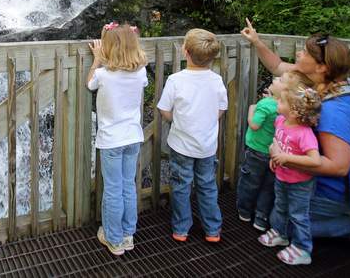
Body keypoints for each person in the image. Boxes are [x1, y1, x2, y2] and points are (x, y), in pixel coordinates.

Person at [240, 18, 350, 264]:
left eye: (305, 51)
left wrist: (287, 160)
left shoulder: (336, 110)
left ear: (322, 67)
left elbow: (340, 166)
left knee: (286, 223)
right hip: (312, 179)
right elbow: (278, 65)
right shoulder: (314, 86)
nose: (299, 52)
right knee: (276, 213)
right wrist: (257, 41)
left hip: (341, 191)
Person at [157, 28, 228, 242]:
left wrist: (176, 120)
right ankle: (212, 229)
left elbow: (164, 109)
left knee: (181, 185)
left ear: (185, 52)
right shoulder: (216, 80)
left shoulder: (176, 80)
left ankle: (181, 229)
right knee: (207, 185)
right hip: (206, 146)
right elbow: (221, 109)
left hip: (181, 145)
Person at [87, 21, 148, 256]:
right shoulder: (140, 72)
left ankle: (113, 238)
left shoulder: (103, 75)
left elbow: (89, 83)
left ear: (107, 49)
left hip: (111, 141)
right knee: (127, 187)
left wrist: (95, 60)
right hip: (133, 138)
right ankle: (127, 234)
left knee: (112, 189)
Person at [237, 71, 313, 231]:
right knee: (267, 187)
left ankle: (244, 212)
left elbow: (255, 125)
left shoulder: (266, 105)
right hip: (274, 156)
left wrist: (252, 109)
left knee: (249, 182)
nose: (275, 78)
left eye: (280, 79)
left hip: (257, 151)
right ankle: (261, 218)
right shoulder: (285, 114)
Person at [258, 75, 322, 265]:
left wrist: (286, 158)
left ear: (293, 111)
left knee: (298, 215)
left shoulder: (304, 134)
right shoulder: (280, 121)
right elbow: (276, 142)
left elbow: (315, 160)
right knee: (281, 206)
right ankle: (281, 233)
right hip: (282, 175)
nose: (277, 101)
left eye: (281, 100)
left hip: (300, 183)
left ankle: (303, 248)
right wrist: (275, 156)